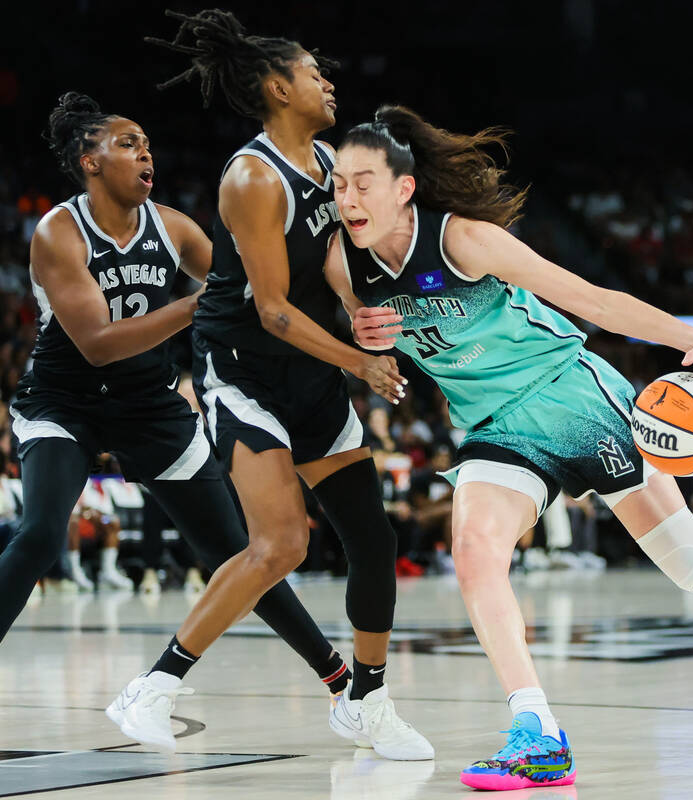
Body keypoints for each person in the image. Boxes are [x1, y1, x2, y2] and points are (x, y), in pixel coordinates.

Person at [326, 106, 693, 790]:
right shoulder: (344, 263)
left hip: (570, 393)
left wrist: (691, 338)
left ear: (404, 187)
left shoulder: (463, 240)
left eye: (363, 182)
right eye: (339, 184)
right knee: (474, 552)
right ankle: (537, 733)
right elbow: (354, 339)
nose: (347, 198)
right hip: (494, 427)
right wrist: (362, 341)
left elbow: (591, 300)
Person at [0, 92, 354, 757]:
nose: (146, 154)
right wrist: (200, 306)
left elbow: (248, 289)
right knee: (41, 533)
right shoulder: (58, 231)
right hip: (64, 400)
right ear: (89, 161)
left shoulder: (174, 226)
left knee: (239, 553)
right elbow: (101, 342)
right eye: (129, 143)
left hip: (149, 406)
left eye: (147, 144)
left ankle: (345, 689)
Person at [117, 9, 432, 761]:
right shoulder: (252, 177)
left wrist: (358, 313)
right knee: (282, 543)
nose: (327, 81)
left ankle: (368, 699)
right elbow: (274, 310)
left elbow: (326, 253)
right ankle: (153, 687)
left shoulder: (327, 160)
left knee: (373, 535)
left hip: (310, 367)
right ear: (275, 86)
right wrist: (358, 362)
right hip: (244, 365)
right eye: (312, 71)